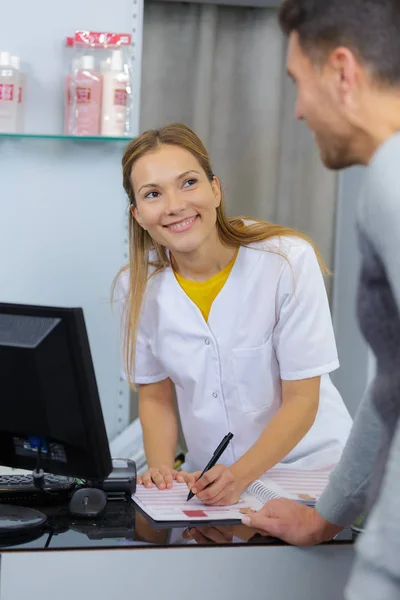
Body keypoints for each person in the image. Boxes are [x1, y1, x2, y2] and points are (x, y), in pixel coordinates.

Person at [241, 1, 400, 598]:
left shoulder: (392, 179)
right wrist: (326, 514)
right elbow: (393, 387)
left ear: (342, 71)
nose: (300, 110)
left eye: (297, 85)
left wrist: (383, 562)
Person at [115, 122, 352, 506]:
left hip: (309, 471)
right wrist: (162, 473)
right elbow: (155, 395)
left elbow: (302, 399)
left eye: (188, 182)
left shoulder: (286, 261)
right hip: (209, 478)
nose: (175, 205)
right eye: (153, 193)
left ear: (216, 189)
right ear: (138, 213)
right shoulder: (139, 285)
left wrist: (239, 476)